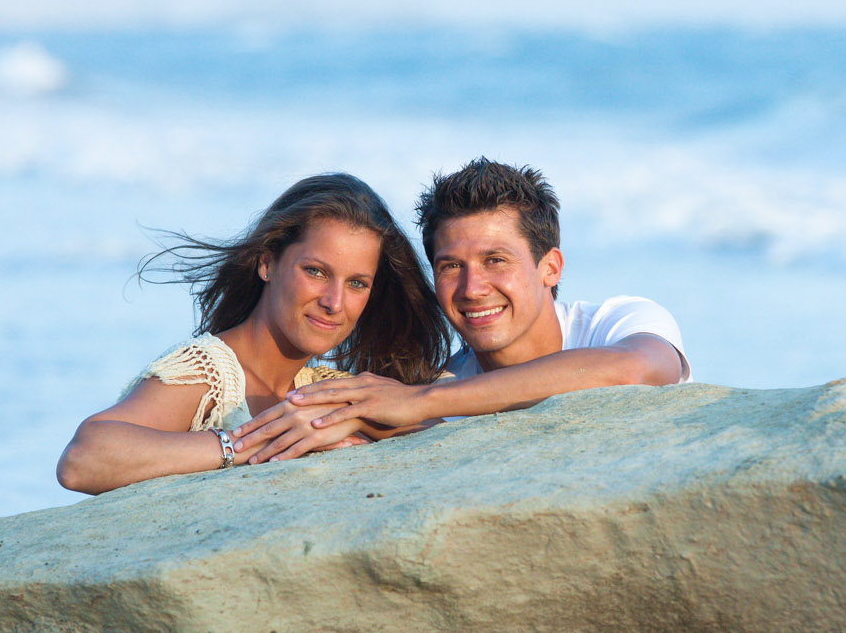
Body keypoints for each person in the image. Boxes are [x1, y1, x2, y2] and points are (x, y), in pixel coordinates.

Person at [56, 173, 451, 494]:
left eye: (357, 284)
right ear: (267, 263)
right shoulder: (211, 373)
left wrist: (354, 417)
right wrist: (254, 443)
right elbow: (83, 459)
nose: (335, 302)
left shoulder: (320, 386)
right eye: (316, 271)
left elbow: (444, 436)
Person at [254, 158, 688, 434]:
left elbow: (636, 369)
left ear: (550, 266)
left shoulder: (614, 324)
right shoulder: (442, 386)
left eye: (496, 260)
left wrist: (420, 401)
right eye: (451, 266)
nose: (472, 289)